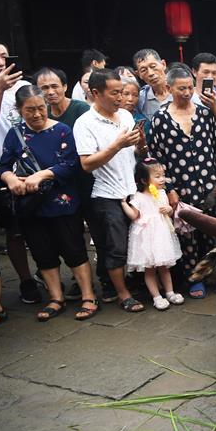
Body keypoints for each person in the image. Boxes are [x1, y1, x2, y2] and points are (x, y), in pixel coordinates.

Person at [0, 85, 99, 321]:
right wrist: (10, 178)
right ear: (20, 110)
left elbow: (71, 164)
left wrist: (42, 175)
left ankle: (88, 295)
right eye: (30, 110)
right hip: (31, 206)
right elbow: (3, 166)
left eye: (41, 108)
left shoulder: (62, 130)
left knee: (74, 250)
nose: (37, 114)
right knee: (43, 253)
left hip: (62, 203)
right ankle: (56, 298)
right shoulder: (15, 134)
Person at [148, 66, 216, 298]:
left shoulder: (205, 113)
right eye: (181, 88)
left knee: (212, 230)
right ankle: (195, 278)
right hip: (181, 186)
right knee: (188, 234)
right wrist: (169, 189)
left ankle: (215, 273)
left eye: (190, 87)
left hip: (209, 183)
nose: (186, 92)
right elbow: (157, 158)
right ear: (169, 88)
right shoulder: (160, 119)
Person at [74, 68, 147, 313]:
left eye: (123, 92)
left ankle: (135, 284)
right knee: (115, 247)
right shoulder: (85, 123)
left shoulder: (125, 116)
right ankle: (122, 293)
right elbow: (86, 164)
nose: (120, 98)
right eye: (115, 93)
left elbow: (135, 154)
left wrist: (140, 144)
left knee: (138, 242)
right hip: (106, 194)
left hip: (132, 190)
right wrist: (117, 145)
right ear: (95, 93)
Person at [0, 42, 41, 305]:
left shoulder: (23, 89)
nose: (1, 61)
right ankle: (15, 282)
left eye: (4, 56)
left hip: (21, 168)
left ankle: (33, 277)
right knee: (10, 230)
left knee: (20, 229)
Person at [122, 160, 184, 310]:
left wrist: (168, 209)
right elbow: (134, 215)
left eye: (163, 175)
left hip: (162, 235)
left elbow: (169, 211)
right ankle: (156, 296)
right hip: (147, 237)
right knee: (149, 269)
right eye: (157, 176)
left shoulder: (162, 193)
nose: (162, 179)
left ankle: (169, 292)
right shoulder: (139, 197)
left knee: (164, 267)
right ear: (144, 180)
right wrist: (124, 204)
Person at [132, 48, 171, 134]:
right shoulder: (140, 98)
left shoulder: (182, 90)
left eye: (153, 67)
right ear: (139, 74)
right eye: (143, 70)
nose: (150, 73)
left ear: (163, 64)